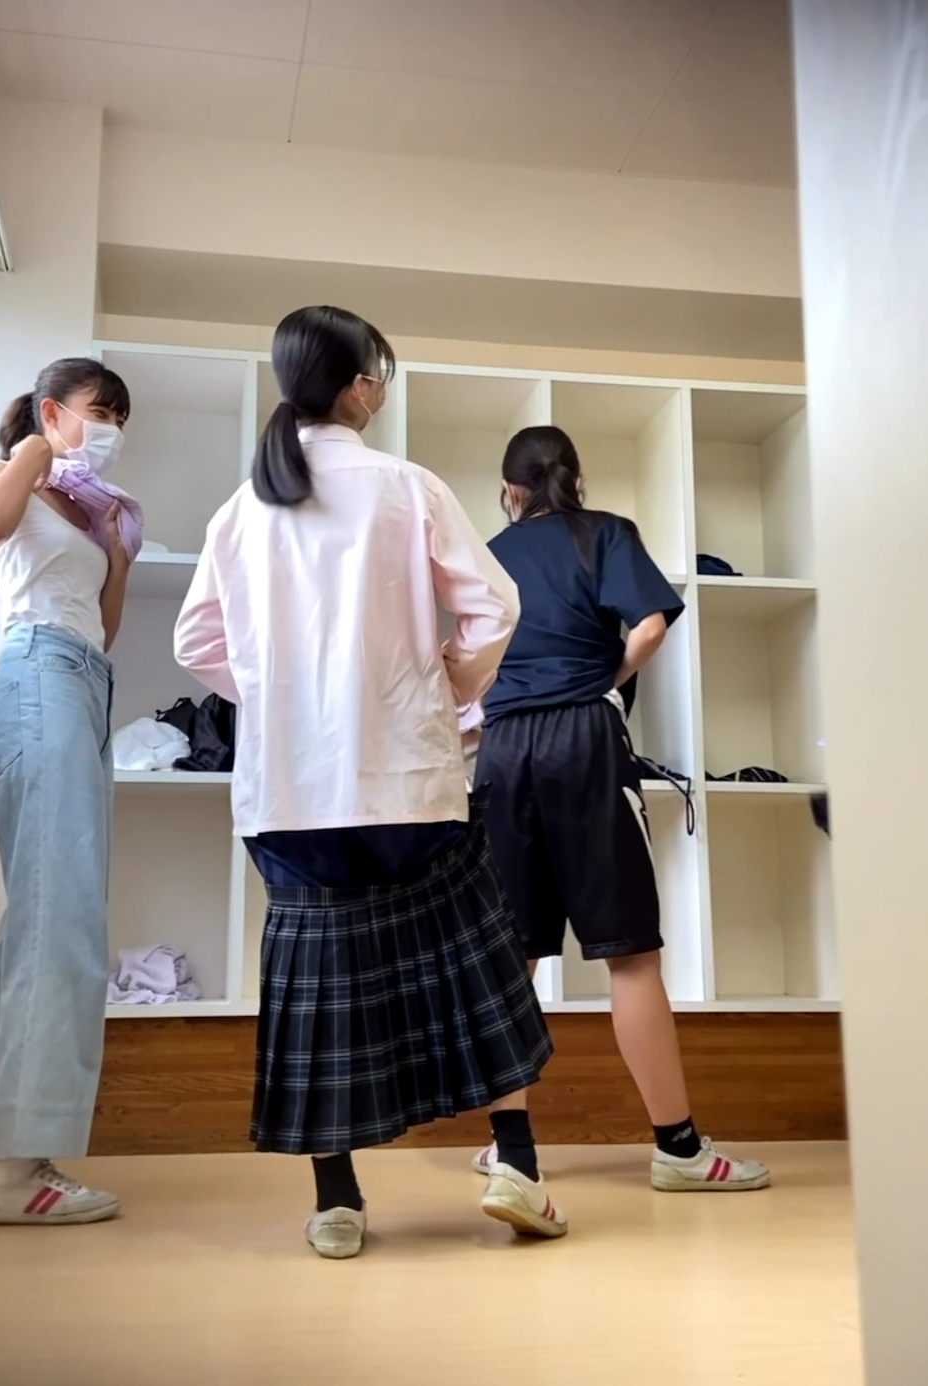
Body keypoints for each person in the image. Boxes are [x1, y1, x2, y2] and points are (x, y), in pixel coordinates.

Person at [174, 306, 566, 1259]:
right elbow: (494, 606)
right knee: (481, 972)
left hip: (289, 797)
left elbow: (195, 643)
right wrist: (445, 686)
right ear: (359, 387)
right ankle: (515, 1167)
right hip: (408, 782)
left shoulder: (240, 510)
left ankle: (337, 1202)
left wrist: (279, 695)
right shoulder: (405, 486)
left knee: (321, 997)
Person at [471, 425, 771, 1193]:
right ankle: (678, 1149)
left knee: (512, 957)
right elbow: (649, 623)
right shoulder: (602, 533)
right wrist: (602, 679)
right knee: (629, 956)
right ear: (574, 480)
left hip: (500, 749)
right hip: (582, 740)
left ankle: (509, 1149)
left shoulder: (488, 552)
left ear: (509, 491)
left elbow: (464, 659)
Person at [0, 357, 143, 1225]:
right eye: (101, 411)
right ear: (54, 411)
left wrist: (117, 552)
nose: (113, 428)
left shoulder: (87, 509)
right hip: (38, 676)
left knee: (39, 919)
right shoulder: (16, 468)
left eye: (122, 417)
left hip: (84, 683)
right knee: (61, 921)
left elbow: (103, 629)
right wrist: (32, 451)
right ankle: (15, 1174)